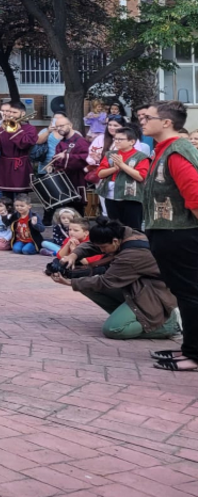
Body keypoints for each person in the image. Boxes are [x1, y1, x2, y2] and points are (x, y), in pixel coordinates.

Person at [136, 101, 198, 372]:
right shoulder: (163, 151)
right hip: (170, 233)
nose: (142, 121)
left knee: (191, 294)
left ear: (166, 122)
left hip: (180, 235)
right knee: (185, 294)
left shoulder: (176, 152)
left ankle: (195, 355)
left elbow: (195, 194)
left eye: (147, 117)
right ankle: (190, 349)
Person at [49, 217, 180, 340]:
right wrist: (74, 255)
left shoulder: (132, 255)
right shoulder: (123, 232)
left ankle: (170, 326)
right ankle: (130, 315)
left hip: (153, 293)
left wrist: (69, 282)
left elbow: (106, 281)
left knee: (113, 329)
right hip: (137, 287)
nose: (101, 250)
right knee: (86, 285)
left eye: (103, 248)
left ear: (115, 241)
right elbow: (93, 244)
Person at [95, 123, 150, 231]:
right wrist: (114, 169)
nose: (117, 141)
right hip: (111, 196)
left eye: (121, 139)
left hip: (131, 197)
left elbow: (140, 177)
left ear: (132, 142)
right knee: (114, 227)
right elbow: (100, 174)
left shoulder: (141, 157)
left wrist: (122, 165)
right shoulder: (110, 154)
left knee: (132, 228)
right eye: (116, 139)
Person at [46, 113, 90, 218]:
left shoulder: (81, 141)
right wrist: (52, 166)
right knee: (64, 210)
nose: (59, 129)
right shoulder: (61, 142)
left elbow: (86, 158)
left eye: (62, 126)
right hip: (63, 179)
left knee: (77, 209)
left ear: (70, 125)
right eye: (57, 127)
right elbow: (58, 159)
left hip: (76, 179)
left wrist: (67, 156)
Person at [0, 99, 37, 194]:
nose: (11, 114)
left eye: (14, 112)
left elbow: (25, 145)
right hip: (4, 165)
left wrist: (15, 130)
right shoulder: (1, 128)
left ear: (22, 113)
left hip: (21, 165)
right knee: (5, 196)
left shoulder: (30, 129)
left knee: (22, 196)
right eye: (9, 112)